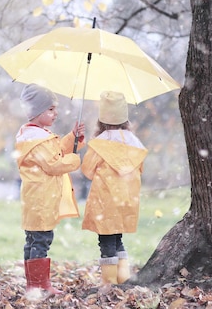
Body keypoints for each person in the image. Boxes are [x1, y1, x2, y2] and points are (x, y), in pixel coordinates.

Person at [15, 83, 85, 295]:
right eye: (51, 109)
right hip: (41, 201)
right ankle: (39, 286)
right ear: (36, 112)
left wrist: (73, 137)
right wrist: (74, 160)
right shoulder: (36, 140)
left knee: (34, 240)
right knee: (41, 241)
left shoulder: (37, 136)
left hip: (37, 200)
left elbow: (56, 153)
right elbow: (54, 164)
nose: (56, 113)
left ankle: (34, 284)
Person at [81, 91, 148, 285]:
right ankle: (123, 279)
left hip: (105, 202)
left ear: (101, 120)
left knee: (106, 241)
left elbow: (87, 169)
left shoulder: (100, 143)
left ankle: (109, 284)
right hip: (126, 200)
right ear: (125, 119)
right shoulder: (135, 143)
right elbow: (140, 168)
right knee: (118, 239)